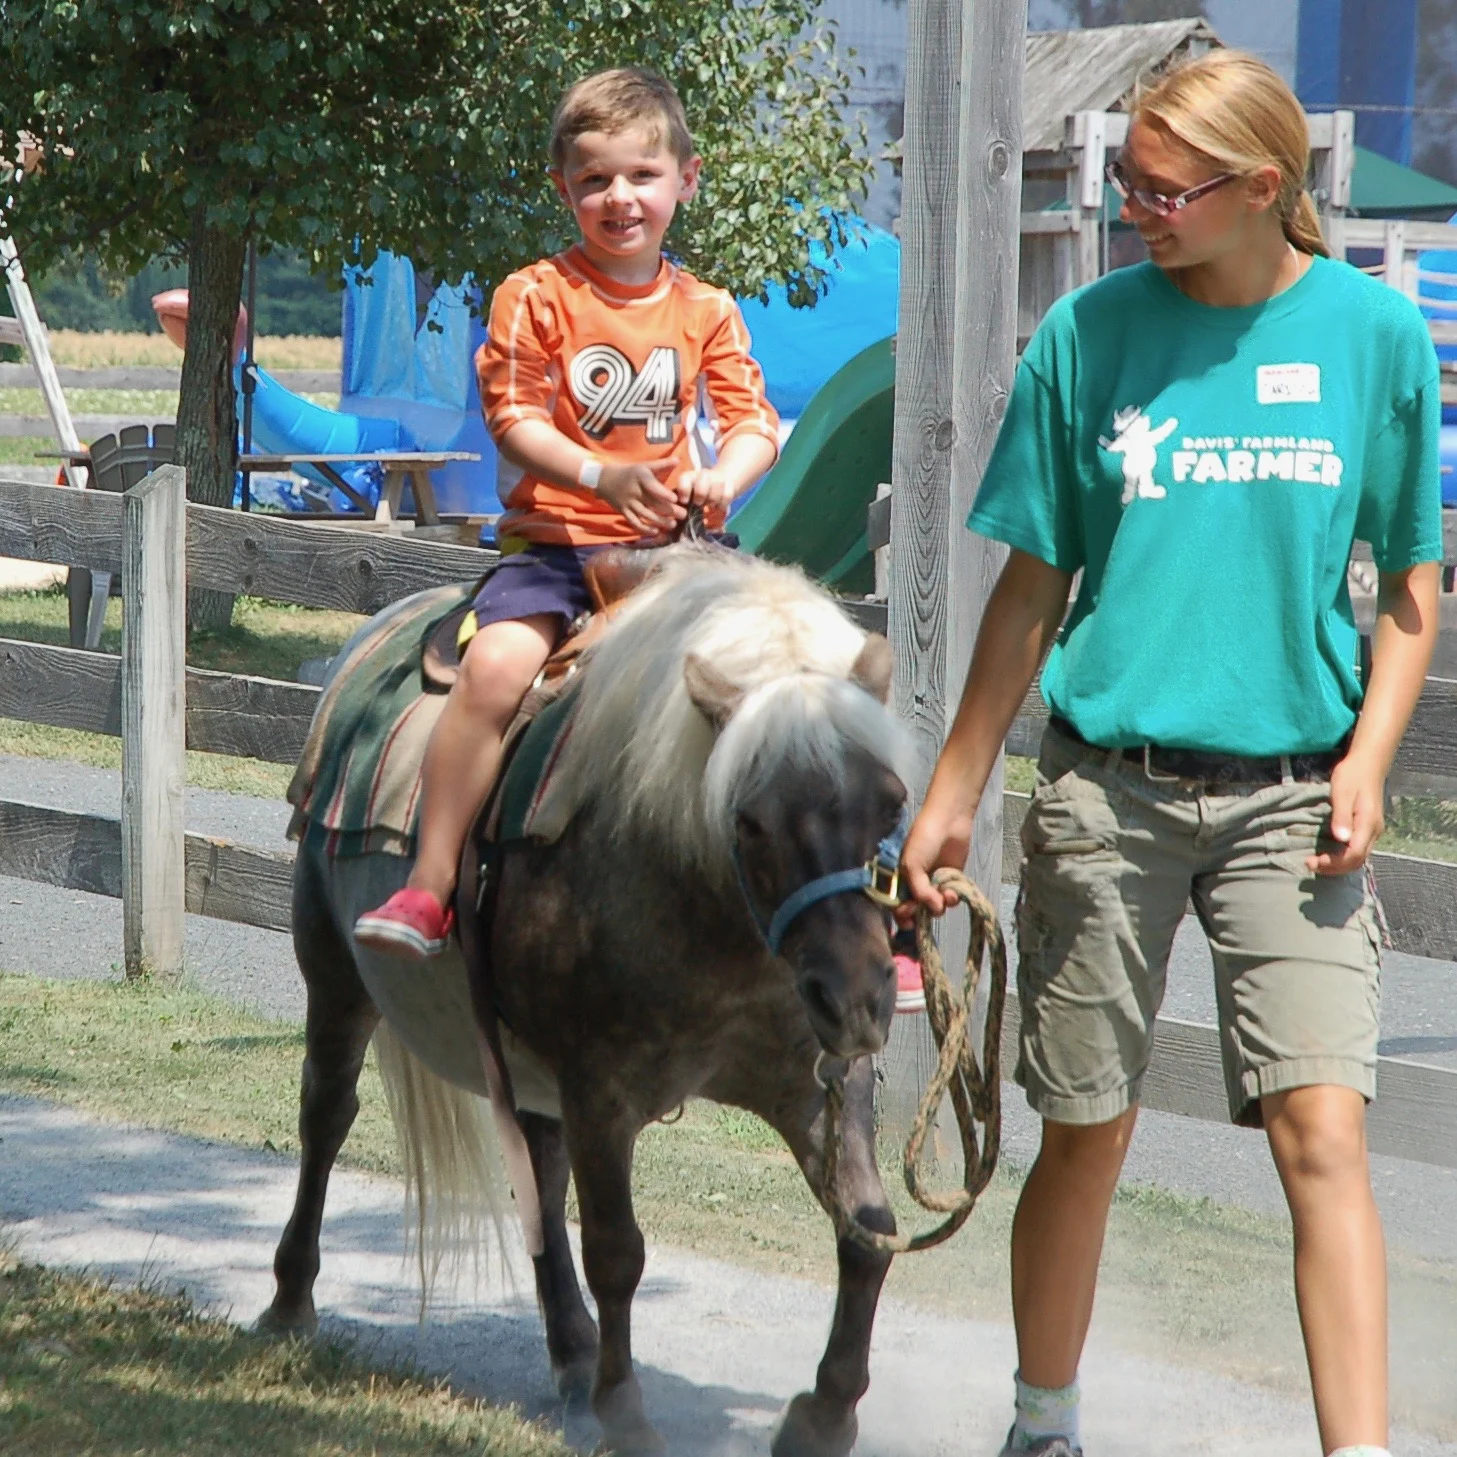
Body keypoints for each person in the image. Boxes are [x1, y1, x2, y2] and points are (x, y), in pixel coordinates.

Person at [899, 50, 1442, 1457]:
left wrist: (1372, 758)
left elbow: (1408, 593)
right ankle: (1044, 1423)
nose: (1134, 206)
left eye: (1165, 187)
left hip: (1295, 803)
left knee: (1320, 1134)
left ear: (1264, 188)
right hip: (1105, 790)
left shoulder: (1374, 341)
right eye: (1123, 182)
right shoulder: (1085, 336)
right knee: (1088, 1127)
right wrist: (952, 794)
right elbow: (1028, 592)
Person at [356, 66, 780, 958]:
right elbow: (513, 420)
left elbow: (752, 424)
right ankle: (429, 884)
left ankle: (853, 899)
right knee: (496, 671)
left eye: (640, 175)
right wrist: (600, 475)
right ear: (564, 188)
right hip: (556, 551)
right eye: (594, 179)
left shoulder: (706, 308)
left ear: (685, 180)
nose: (618, 197)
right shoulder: (535, 295)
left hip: (677, 556)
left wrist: (721, 479)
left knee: (794, 673)